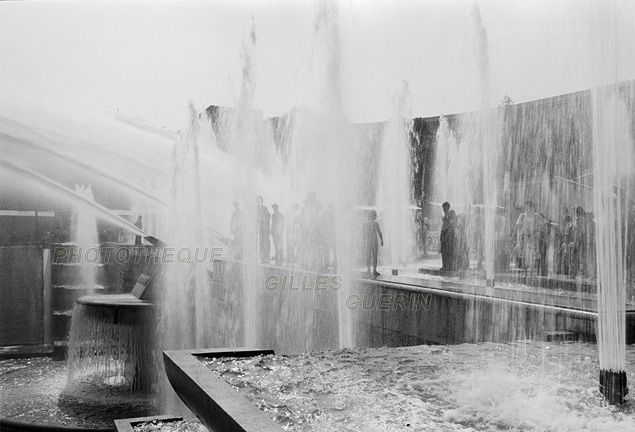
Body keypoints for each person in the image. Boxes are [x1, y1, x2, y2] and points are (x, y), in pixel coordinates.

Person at [515, 200, 546, 277]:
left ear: (532, 207)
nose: (526, 208)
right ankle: (525, 273)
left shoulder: (536, 216)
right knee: (524, 255)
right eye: (526, 207)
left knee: (532, 255)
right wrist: (517, 236)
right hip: (524, 236)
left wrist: (538, 230)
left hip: (533, 237)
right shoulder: (522, 215)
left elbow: (544, 223)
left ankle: (531, 273)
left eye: (528, 206)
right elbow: (518, 226)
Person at [364, 210, 384, 277]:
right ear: (374, 216)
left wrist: (363, 241)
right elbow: (379, 232)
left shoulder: (366, 224)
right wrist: (381, 240)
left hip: (369, 241)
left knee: (368, 256)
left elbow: (363, 234)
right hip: (374, 241)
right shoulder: (375, 224)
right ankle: (374, 270)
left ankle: (368, 270)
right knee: (374, 256)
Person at [439, 202, 455, 271]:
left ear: (448, 207)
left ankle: (447, 265)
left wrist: (447, 234)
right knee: (443, 251)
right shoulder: (445, 215)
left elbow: (451, 224)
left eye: (444, 208)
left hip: (447, 234)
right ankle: (444, 265)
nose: (443, 209)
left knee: (447, 251)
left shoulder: (450, 214)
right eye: (443, 208)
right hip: (443, 233)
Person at [256, 196, 271, 263]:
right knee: (260, 240)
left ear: (261, 200)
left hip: (264, 227)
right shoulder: (256, 208)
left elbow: (268, 216)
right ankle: (261, 253)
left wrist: (263, 218)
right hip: (258, 226)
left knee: (266, 240)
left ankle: (267, 254)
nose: (257, 201)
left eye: (259, 200)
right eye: (257, 200)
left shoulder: (265, 208)